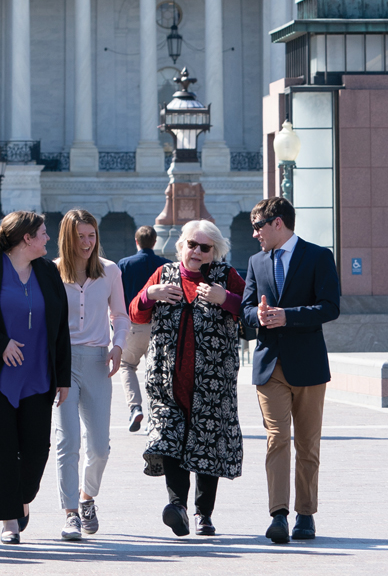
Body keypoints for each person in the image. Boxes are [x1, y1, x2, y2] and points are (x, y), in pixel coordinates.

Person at [0, 211, 71, 545]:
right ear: (26, 238)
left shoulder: (49, 272)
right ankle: (9, 520)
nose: (48, 238)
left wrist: (63, 377)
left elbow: (60, 328)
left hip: (38, 375)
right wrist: (1, 343)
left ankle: (20, 498)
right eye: (43, 233)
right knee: (1, 449)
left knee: (37, 449)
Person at [133, 219, 246, 537]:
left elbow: (249, 314)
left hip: (212, 383)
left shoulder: (227, 277)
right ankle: (177, 507)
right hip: (166, 380)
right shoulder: (163, 274)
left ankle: (204, 514)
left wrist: (226, 300)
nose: (196, 251)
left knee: (207, 445)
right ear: (180, 245)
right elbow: (135, 313)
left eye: (204, 247)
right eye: (191, 244)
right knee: (169, 441)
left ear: (215, 252)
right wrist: (149, 295)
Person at [241, 197, 341, 544]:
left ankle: (306, 514)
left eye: (258, 227)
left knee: (308, 444)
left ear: (277, 223)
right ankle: (278, 515)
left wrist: (289, 315)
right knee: (277, 439)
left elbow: (330, 307)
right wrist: (261, 315)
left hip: (309, 365)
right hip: (271, 366)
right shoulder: (255, 262)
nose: (254, 234)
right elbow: (246, 309)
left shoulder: (318, 257)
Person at [52, 209, 129, 540]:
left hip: (99, 361)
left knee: (100, 447)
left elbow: (121, 316)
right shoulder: (52, 272)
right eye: (80, 236)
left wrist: (118, 345)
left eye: (91, 235)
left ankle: (87, 497)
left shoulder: (110, 271)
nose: (86, 242)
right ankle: (70, 512)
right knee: (67, 441)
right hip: (62, 362)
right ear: (68, 238)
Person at [116, 226, 170, 433]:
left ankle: (135, 407)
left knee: (127, 366)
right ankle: (157, 416)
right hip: (159, 326)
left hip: (134, 325)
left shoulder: (125, 264)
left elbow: (118, 295)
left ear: (136, 241)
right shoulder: (166, 265)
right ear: (155, 242)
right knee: (157, 371)